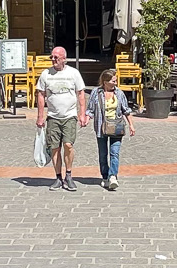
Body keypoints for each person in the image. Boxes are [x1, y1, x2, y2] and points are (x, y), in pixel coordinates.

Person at [35, 45, 88, 192]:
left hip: (69, 116)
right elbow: (40, 95)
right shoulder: (46, 74)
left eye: (56, 57)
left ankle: (69, 175)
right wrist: (40, 116)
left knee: (68, 145)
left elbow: (81, 93)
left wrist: (82, 114)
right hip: (52, 117)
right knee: (54, 148)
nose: (53, 60)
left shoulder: (73, 73)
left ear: (64, 59)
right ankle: (58, 177)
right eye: (51, 57)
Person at [88, 68, 136, 191]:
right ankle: (105, 176)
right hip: (101, 127)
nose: (115, 83)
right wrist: (87, 118)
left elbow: (126, 110)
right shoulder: (96, 92)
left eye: (115, 81)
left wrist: (131, 125)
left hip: (117, 127)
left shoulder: (119, 93)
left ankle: (113, 176)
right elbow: (91, 109)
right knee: (103, 154)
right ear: (105, 82)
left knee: (114, 152)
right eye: (113, 81)